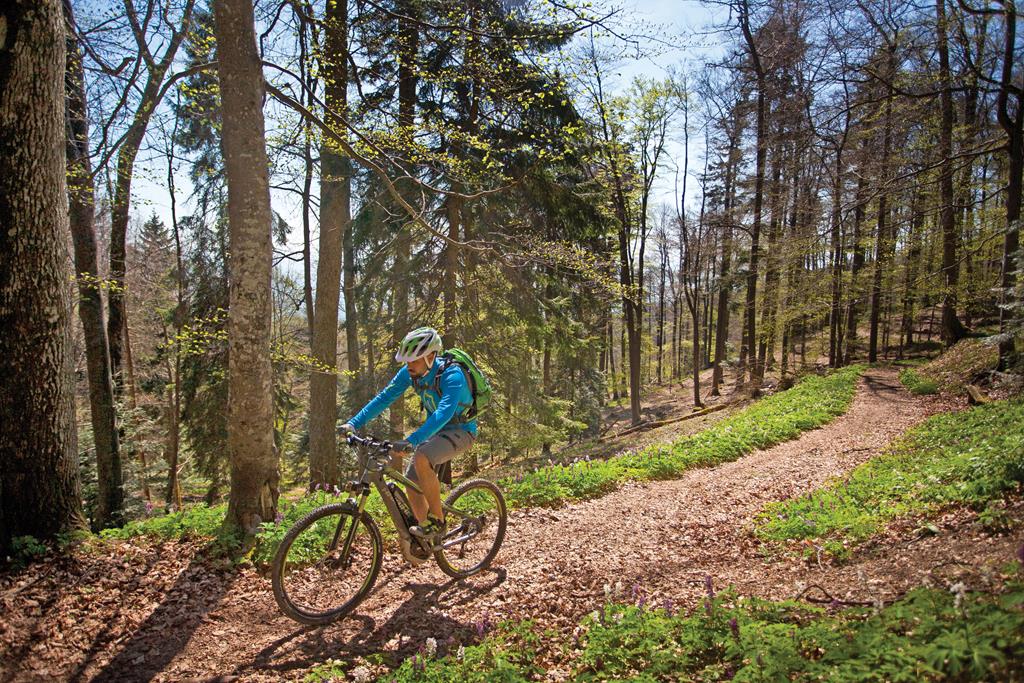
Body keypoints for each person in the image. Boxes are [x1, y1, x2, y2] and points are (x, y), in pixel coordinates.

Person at [340, 326, 476, 544]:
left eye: (414, 360)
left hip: (462, 431)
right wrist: (353, 423)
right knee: (411, 481)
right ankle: (426, 536)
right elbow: (384, 399)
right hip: (436, 432)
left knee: (422, 456)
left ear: (431, 356)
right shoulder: (409, 374)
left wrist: (412, 441)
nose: (409, 365)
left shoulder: (452, 375)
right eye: (406, 360)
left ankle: (438, 521)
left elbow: (443, 414)